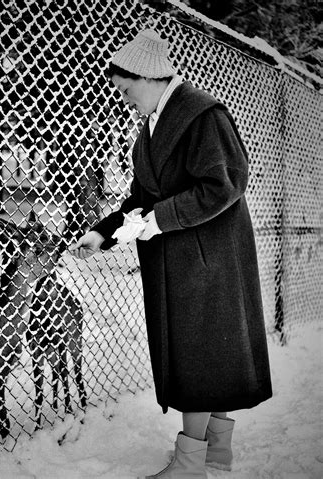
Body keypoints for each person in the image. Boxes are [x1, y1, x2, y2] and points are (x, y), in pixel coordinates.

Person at [70, 29, 272, 478]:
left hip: (208, 259)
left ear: (149, 75)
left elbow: (225, 184)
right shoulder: (153, 125)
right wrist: (104, 233)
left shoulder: (202, 113)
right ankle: (216, 452)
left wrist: (159, 219)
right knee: (209, 352)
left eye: (126, 89)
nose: (123, 99)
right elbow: (141, 196)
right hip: (184, 259)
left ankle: (189, 465)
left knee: (198, 354)